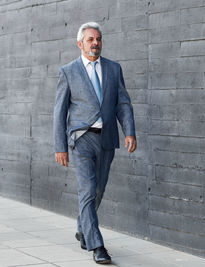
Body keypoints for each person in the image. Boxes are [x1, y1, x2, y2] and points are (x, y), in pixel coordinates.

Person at [53, 21, 136, 264]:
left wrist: (129, 131)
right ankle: (97, 245)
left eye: (98, 39)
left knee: (98, 190)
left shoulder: (113, 68)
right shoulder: (68, 71)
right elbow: (59, 112)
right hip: (81, 140)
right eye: (90, 39)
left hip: (108, 138)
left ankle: (83, 227)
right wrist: (60, 146)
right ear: (80, 44)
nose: (95, 43)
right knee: (88, 190)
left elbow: (123, 103)